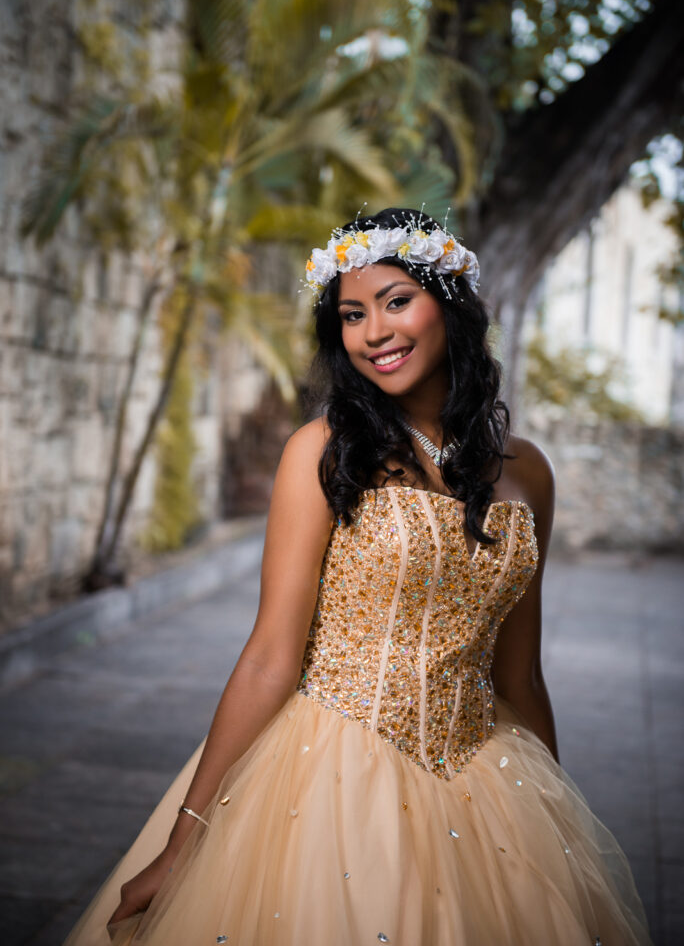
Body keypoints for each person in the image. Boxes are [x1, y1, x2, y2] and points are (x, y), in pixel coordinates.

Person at [64, 208, 651, 946]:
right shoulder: (325, 451)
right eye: (352, 314)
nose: (375, 331)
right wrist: (186, 841)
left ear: (452, 306)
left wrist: (562, 838)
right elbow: (271, 655)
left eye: (397, 301)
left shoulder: (526, 470)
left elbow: (521, 674)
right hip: (330, 771)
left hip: (490, 771)